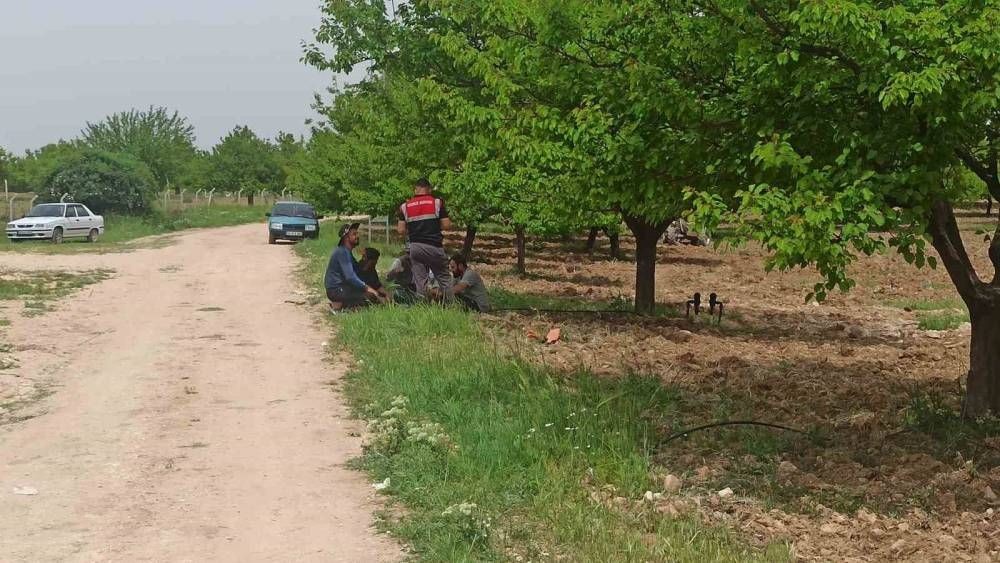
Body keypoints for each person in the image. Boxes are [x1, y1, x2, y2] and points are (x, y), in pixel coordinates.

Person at [397, 178, 454, 300]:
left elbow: (400, 230)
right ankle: (451, 307)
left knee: (420, 281)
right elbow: (447, 225)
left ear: (415, 189)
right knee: (444, 279)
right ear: (429, 189)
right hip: (434, 246)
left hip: (415, 247)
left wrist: (414, 229)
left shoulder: (405, 206)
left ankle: (422, 308)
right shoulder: (437, 203)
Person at [324, 222, 381, 311]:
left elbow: (359, 271)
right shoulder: (342, 252)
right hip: (337, 289)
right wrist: (369, 288)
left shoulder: (347, 253)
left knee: (371, 294)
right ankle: (341, 308)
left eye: (357, 233)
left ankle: (341, 305)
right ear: (346, 238)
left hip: (342, 288)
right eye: (354, 234)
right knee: (370, 296)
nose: (357, 236)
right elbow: (350, 277)